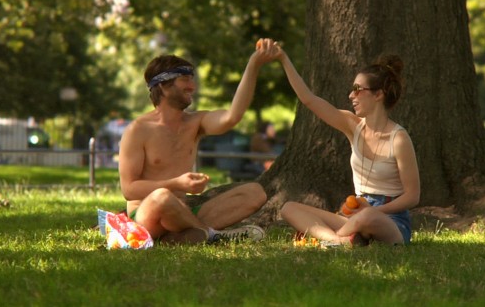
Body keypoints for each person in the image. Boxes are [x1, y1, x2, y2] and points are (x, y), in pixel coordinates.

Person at [119, 39, 280, 244]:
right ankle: (213, 235)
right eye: (185, 79)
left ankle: (180, 237)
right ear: (164, 85)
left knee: (254, 192)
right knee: (162, 196)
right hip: (146, 216)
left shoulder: (196, 122)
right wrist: (176, 183)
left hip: (184, 212)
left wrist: (253, 65)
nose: (192, 87)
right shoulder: (137, 130)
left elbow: (232, 116)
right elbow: (129, 189)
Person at [276, 46, 420, 247]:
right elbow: (309, 100)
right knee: (289, 208)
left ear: (378, 94)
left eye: (357, 89)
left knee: (367, 216)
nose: (351, 95)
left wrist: (373, 211)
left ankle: (332, 239)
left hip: (389, 221)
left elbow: (412, 196)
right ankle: (340, 241)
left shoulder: (399, 138)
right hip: (355, 214)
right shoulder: (353, 126)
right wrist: (283, 58)